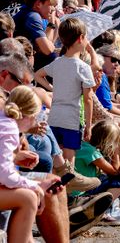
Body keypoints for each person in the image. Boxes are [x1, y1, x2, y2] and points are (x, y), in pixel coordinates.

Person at [0, 85, 65, 243]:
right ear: (27, 116)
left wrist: (15, 157)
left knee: (34, 190)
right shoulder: (9, 128)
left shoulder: (5, 121)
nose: (35, 123)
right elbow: (5, 175)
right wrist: (33, 185)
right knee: (28, 197)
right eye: (35, 117)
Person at [34, 18, 94, 166]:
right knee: (69, 160)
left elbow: (38, 75)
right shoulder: (83, 67)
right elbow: (88, 99)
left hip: (54, 117)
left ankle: (59, 187)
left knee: (57, 159)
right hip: (72, 119)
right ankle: (67, 188)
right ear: (80, 38)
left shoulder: (57, 62)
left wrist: (52, 88)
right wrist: (89, 125)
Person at [13, 0, 56, 70]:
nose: (52, 9)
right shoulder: (33, 16)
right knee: (54, 57)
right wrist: (52, 25)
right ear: (38, 4)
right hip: (15, 62)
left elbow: (45, 46)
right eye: (50, 5)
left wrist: (51, 24)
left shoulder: (28, 12)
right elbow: (47, 50)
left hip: (17, 58)